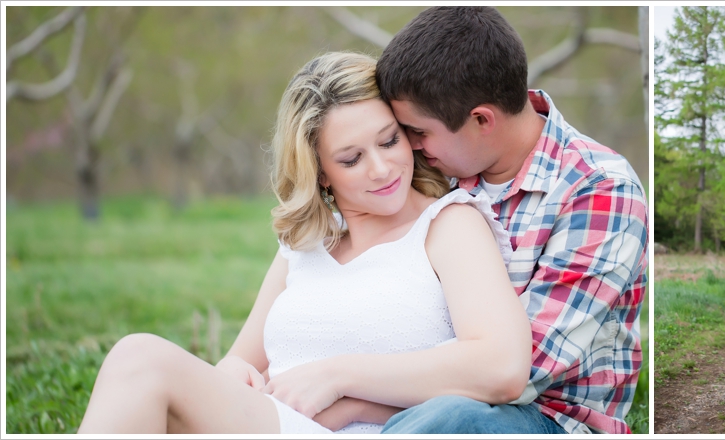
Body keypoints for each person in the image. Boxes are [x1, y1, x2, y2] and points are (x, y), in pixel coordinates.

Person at [77, 51, 533, 434]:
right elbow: (237, 363)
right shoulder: (305, 244)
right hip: (273, 419)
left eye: (389, 140)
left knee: (141, 359)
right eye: (351, 158)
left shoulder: (448, 225)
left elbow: (502, 365)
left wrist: (338, 376)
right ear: (319, 172)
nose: (381, 168)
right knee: (141, 372)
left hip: (353, 430)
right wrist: (237, 372)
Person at [374, 6, 649, 434]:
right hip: (427, 388)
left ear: (482, 119)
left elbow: (517, 371)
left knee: (452, 422)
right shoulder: (442, 172)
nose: (408, 147)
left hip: (546, 416)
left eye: (419, 132)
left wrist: (353, 387)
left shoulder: (599, 189)